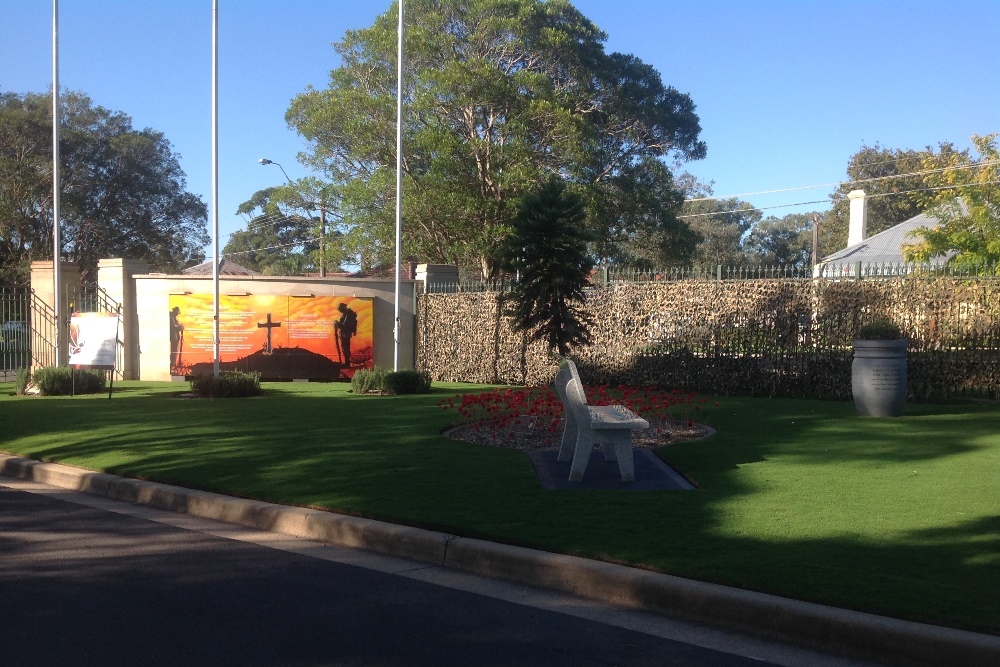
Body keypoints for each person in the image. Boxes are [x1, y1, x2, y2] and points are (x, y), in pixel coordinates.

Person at [334, 302, 357, 367]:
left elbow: (345, 325)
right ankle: (347, 363)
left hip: (345, 334)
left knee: (345, 349)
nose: (340, 311)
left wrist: (337, 324)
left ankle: (347, 364)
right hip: (345, 334)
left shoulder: (348, 314)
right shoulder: (346, 314)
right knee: (345, 349)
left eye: (340, 309)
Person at [169, 306, 184, 374]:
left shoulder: (174, 318)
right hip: (173, 337)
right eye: (177, 312)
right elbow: (173, 326)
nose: (177, 314)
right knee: (174, 351)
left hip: (175, 337)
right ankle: (172, 364)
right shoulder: (171, 318)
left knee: (175, 351)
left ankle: (173, 364)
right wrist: (180, 327)